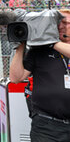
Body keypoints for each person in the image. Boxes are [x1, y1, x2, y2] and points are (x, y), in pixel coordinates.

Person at [10, 8, 70, 141]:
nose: (62, 26)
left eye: (66, 23)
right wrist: (20, 47)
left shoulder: (51, 44)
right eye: (59, 22)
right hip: (46, 127)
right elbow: (15, 78)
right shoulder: (39, 50)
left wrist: (51, 41)